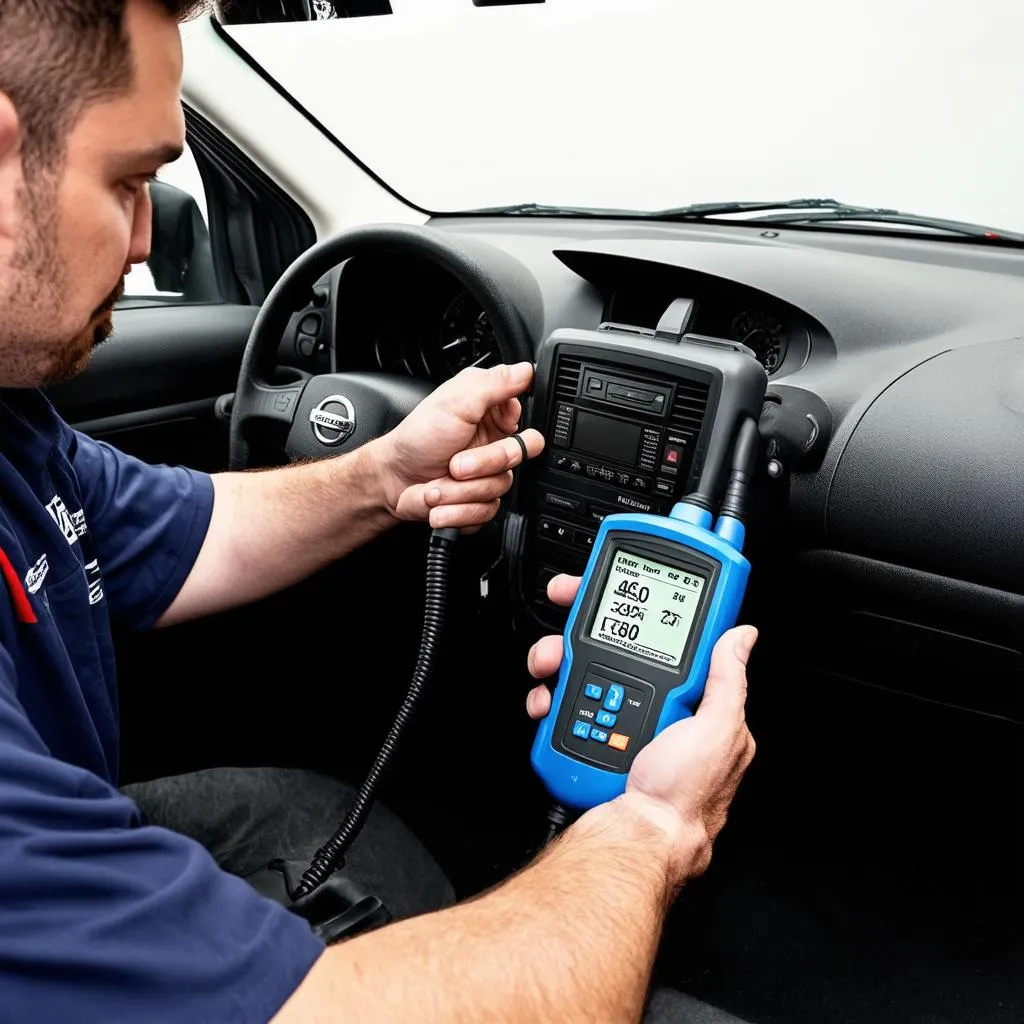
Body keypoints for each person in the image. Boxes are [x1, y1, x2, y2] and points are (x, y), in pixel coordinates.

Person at [0, 1, 758, 1021]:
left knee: (307, 809)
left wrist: (382, 475)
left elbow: (175, 533)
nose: (147, 240)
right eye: (131, 180)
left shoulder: (15, 426)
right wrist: (657, 826)